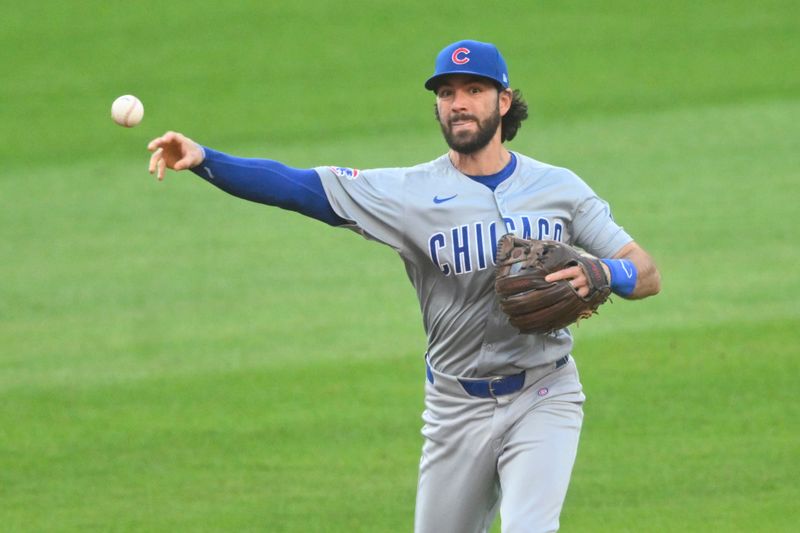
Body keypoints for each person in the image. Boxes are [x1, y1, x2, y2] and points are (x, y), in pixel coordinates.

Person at [147, 39, 661, 533]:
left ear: (504, 102)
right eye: (446, 93)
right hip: (455, 407)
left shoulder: (560, 188)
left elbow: (645, 272)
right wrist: (207, 159)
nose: (458, 104)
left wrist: (605, 273)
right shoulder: (408, 194)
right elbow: (299, 187)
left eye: (473, 90)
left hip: (544, 392)